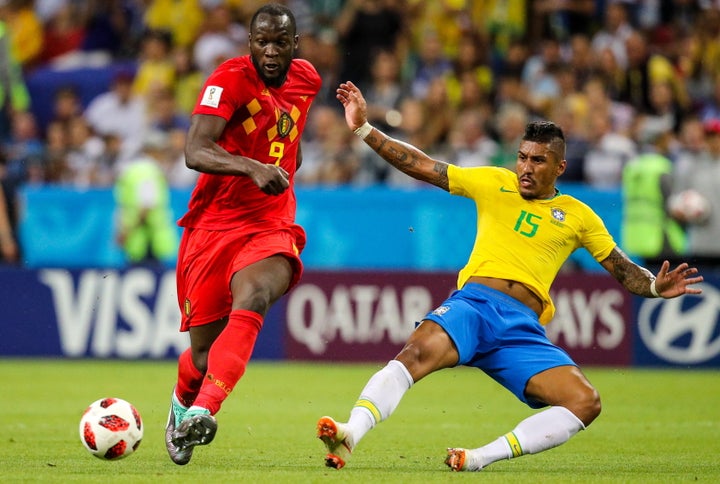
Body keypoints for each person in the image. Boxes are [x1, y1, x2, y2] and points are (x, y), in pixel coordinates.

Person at [316, 81, 704, 472]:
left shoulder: (579, 215)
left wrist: (654, 286)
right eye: (522, 157)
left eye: (538, 161)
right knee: (413, 353)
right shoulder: (493, 182)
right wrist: (364, 128)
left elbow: (621, 268)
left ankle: (480, 458)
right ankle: (352, 431)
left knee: (585, 402)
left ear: (559, 167)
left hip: (521, 330)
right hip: (474, 307)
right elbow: (421, 165)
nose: (526, 168)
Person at [165, 3, 321, 465]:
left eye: (281, 42)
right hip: (214, 224)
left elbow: (291, 133)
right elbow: (196, 150)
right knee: (202, 352)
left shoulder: (307, 79)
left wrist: (285, 166)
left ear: (296, 44)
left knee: (254, 295)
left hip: (271, 222)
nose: (271, 52)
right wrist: (251, 167)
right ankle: (181, 404)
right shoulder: (229, 80)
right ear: (249, 43)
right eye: (262, 42)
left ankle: (204, 411)